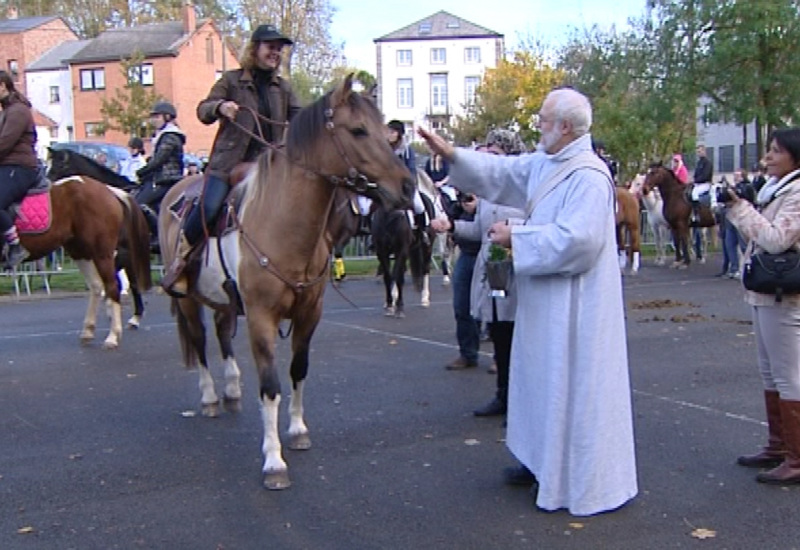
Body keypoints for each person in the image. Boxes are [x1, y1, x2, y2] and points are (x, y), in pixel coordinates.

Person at [418, 87, 638, 516]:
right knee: (540, 380)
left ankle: (572, 476)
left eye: (543, 120)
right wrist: (453, 154)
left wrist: (516, 238)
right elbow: (503, 173)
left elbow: (583, 242)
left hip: (575, 308)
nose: (537, 126)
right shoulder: (547, 163)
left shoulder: (590, 176)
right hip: (544, 301)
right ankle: (539, 462)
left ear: (566, 128)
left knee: (567, 382)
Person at [161, 24, 301, 297]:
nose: (275, 53)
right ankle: (182, 262)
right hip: (228, 165)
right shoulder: (232, 80)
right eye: (270, 47)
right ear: (255, 48)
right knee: (210, 207)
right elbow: (203, 109)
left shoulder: (283, 88)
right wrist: (220, 107)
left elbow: (300, 118)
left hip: (270, 169)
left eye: (279, 49)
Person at [723, 127, 800, 485]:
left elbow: (775, 239)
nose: (768, 157)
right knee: (770, 372)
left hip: (785, 291)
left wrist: (741, 209)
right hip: (765, 289)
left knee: (789, 375)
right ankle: (778, 445)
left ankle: (796, 458)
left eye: (775, 151)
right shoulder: (776, 189)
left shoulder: (797, 192)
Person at [431, 128, 526, 416]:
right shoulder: (488, 192)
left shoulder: (523, 188)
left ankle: (519, 397)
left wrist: (514, 232)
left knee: (515, 331)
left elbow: (539, 225)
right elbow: (479, 230)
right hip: (494, 266)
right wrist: (453, 227)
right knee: (497, 328)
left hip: (516, 266)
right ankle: (502, 394)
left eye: (496, 155)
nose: (491, 161)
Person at [0, 70, 39, 269]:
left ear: (3, 86)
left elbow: (5, 143)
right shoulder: (6, 110)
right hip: (8, 165)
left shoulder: (18, 111)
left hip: (20, 167)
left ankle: (15, 246)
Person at [133, 101, 185, 247]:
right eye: (152, 117)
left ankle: (159, 236)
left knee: (140, 203)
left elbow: (160, 159)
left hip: (169, 179)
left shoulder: (170, 136)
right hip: (160, 178)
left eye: (157, 117)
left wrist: (143, 171)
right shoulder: (162, 136)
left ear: (167, 117)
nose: (153, 120)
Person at [387, 119, 429, 245]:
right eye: (388, 131)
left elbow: (411, 170)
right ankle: (373, 236)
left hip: (405, 186)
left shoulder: (407, 150)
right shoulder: (384, 149)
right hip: (388, 186)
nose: (388, 134)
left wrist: (405, 182)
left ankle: (423, 232)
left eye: (391, 132)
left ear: (398, 134)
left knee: (419, 206)